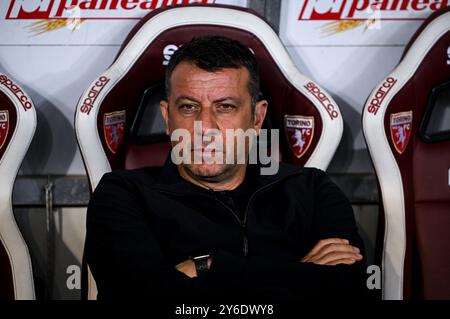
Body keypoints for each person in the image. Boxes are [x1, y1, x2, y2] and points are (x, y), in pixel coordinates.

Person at [86, 35, 367, 301]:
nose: (204, 126)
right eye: (187, 107)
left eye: (225, 107)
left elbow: (347, 291)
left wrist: (209, 266)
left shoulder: (312, 190)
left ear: (257, 118)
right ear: (167, 117)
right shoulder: (121, 196)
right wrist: (298, 273)